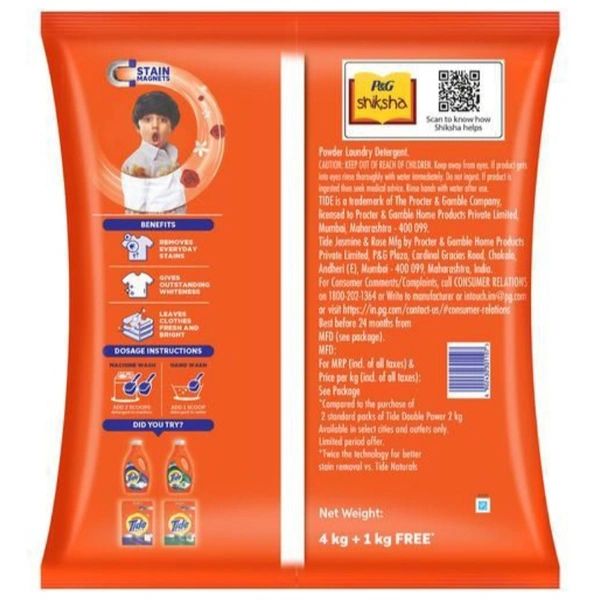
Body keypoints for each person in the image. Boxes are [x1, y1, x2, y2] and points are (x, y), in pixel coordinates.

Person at [121, 91, 186, 213]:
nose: (155, 125)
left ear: (171, 128)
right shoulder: (135, 164)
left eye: (163, 120)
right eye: (148, 119)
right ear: (137, 127)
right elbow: (135, 212)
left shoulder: (172, 155)